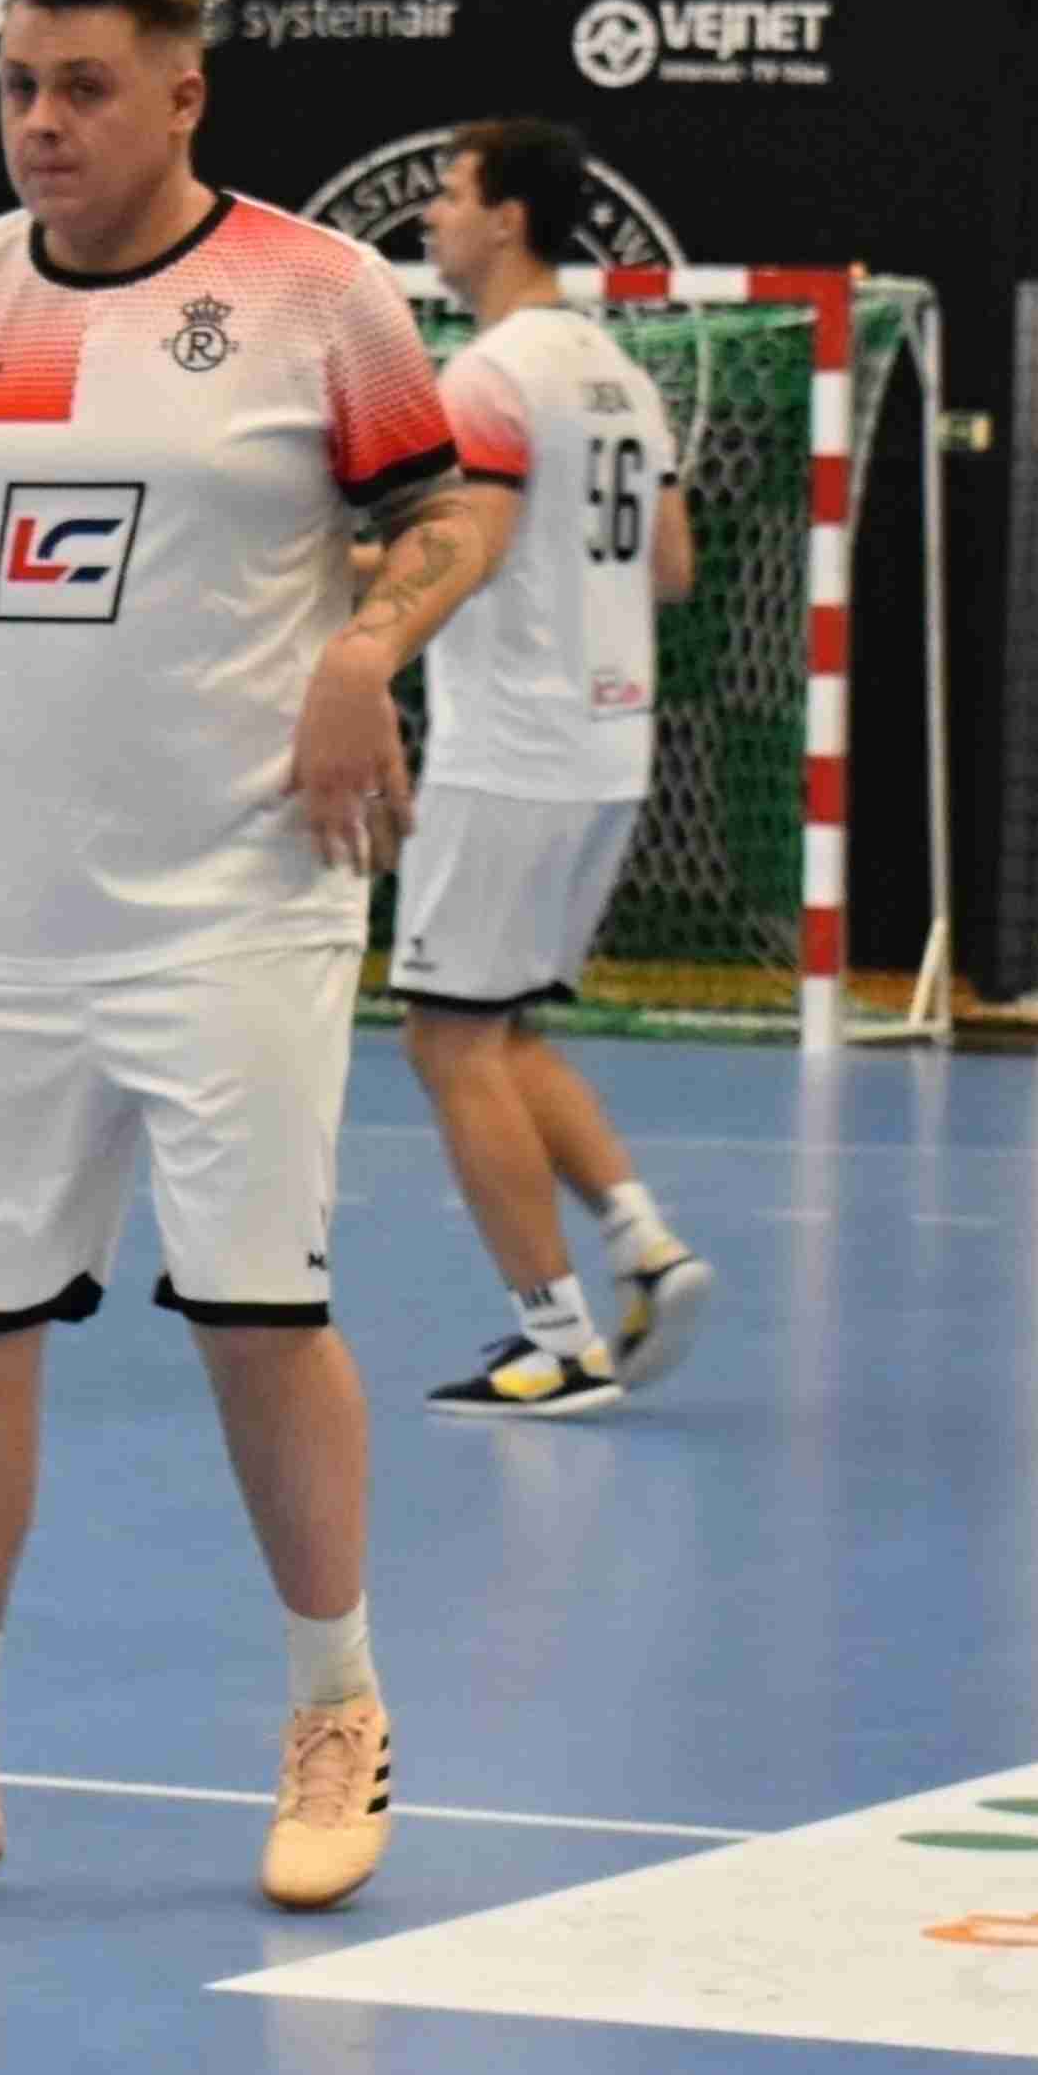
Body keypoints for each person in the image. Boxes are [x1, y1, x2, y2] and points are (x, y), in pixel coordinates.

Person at [0, 0, 511, 1915]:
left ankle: (336, 1712)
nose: (42, 121)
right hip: (1, 925)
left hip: (242, 905)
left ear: (183, 92)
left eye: (82, 86)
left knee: (256, 1314)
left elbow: (451, 513)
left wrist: (365, 650)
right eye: (17, 84)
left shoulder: (317, 295)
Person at [388, 122, 721, 1418]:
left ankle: (559, 1343)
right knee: (501, 1027)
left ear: (509, 218)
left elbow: (467, 549)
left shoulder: (490, 374)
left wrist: (314, 577)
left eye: (451, 192)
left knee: (444, 1038)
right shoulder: (620, 373)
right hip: (607, 747)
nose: (432, 214)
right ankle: (644, 1243)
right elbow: (674, 567)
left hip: (511, 751)